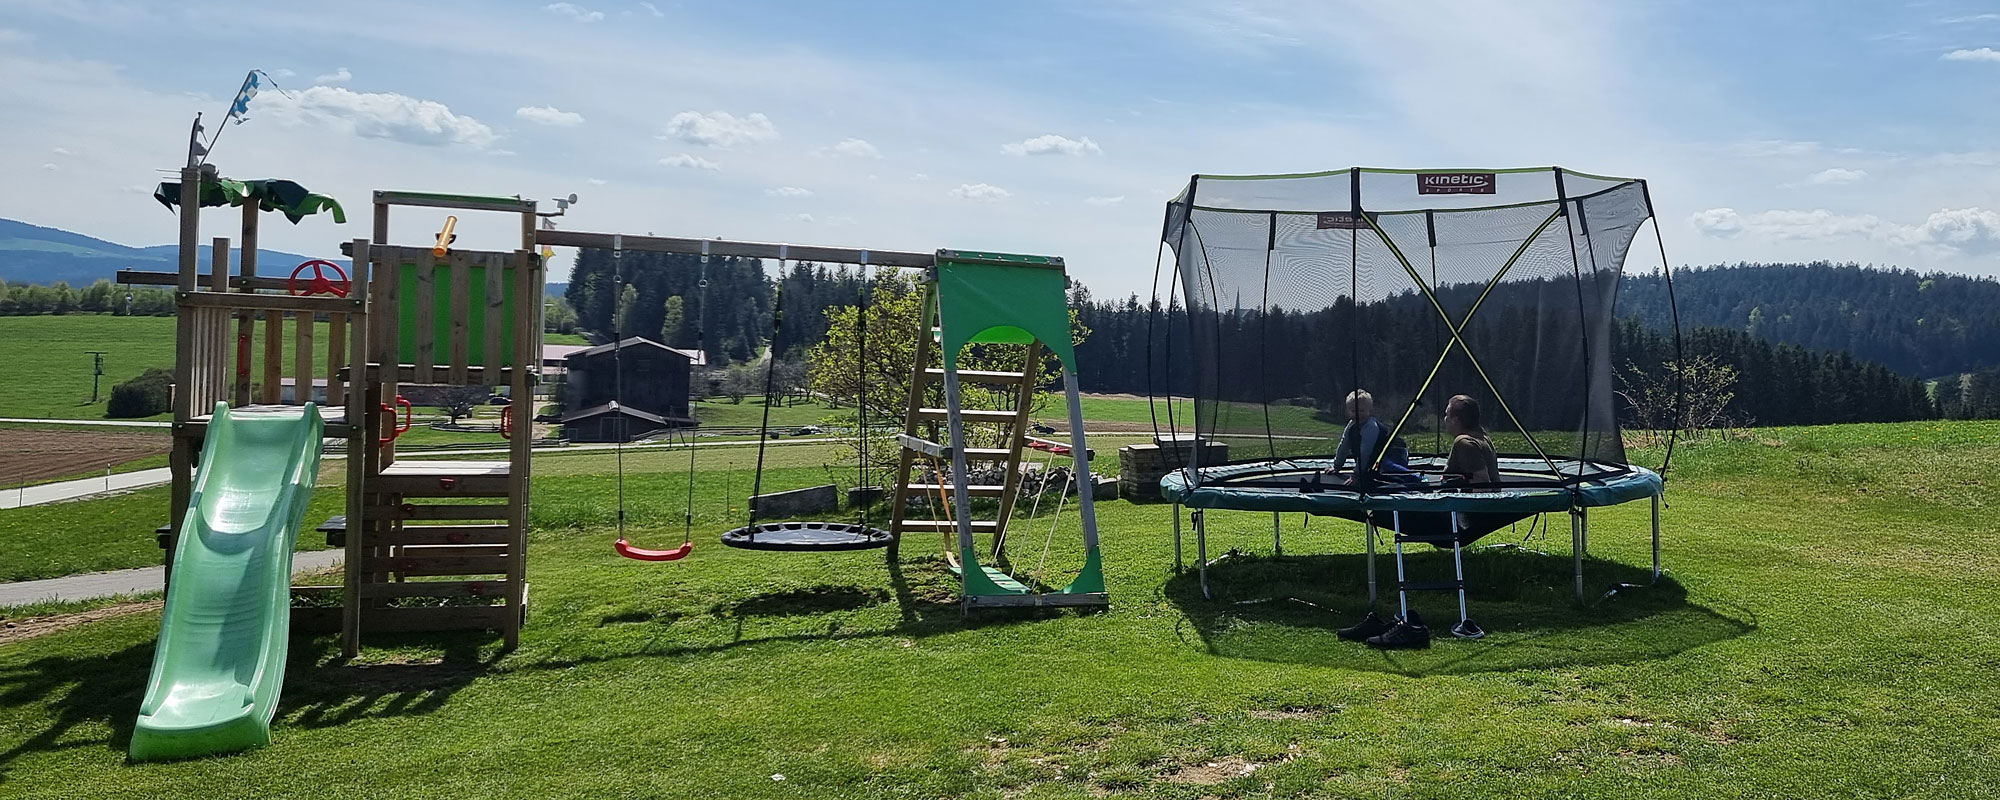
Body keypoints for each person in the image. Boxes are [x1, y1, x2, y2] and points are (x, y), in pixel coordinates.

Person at [1326, 390, 1410, 485]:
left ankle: (1416, 478)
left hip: (1395, 453)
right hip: (1376, 455)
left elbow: (1365, 452)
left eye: (1362, 411)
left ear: (1369, 410)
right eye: (1353, 411)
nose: (1358, 415)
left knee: (1385, 465)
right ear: (1348, 411)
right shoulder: (1351, 425)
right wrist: (1337, 466)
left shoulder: (1371, 427)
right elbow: (1344, 445)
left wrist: (1357, 475)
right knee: (1374, 467)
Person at [1441, 394, 1500, 486]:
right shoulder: (1483, 437)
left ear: (1455, 420)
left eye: (1447, 414)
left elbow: (1482, 487)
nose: (1445, 419)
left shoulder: (1464, 443)